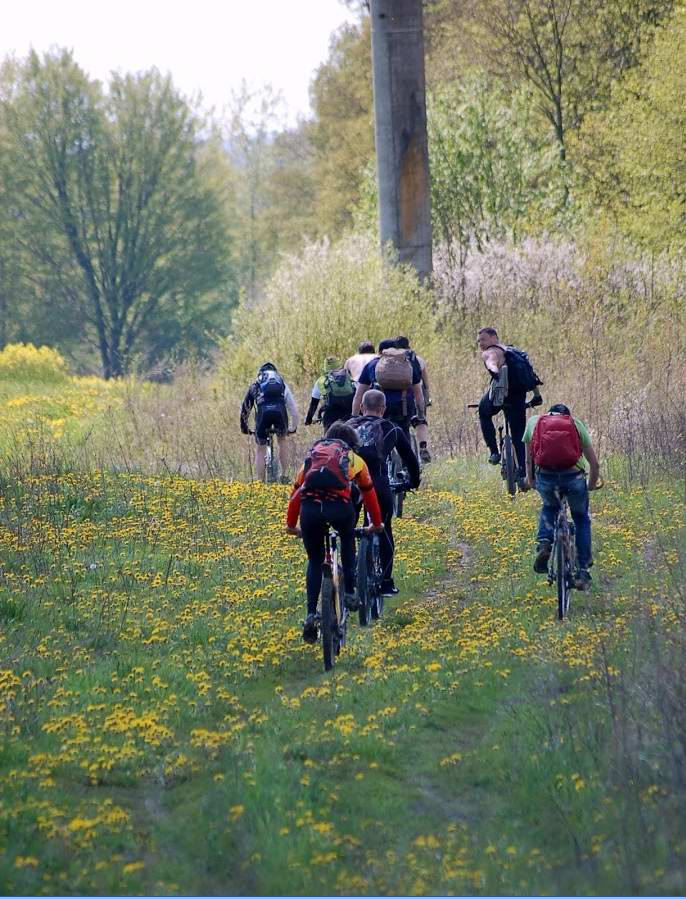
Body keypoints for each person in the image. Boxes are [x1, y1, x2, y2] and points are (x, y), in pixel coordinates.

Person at [285, 422, 384, 643]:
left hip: (310, 511)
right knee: (347, 539)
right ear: (352, 443)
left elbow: (296, 493)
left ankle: (311, 614)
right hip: (340, 510)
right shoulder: (353, 459)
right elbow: (369, 493)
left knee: (314, 561)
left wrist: (291, 525)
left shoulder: (311, 458)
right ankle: (349, 591)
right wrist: (376, 523)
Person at [348, 389, 420, 596]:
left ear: (361, 408)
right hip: (377, 484)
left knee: (347, 529)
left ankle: (350, 578)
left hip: (350, 484)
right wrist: (413, 482)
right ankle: (386, 583)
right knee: (383, 528)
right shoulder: (391, 428)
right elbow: (410, 460)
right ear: (384, 409)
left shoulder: (347, 427)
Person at [524, 403, 601, 589]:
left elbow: (528, 458)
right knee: (581, 518)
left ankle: (544, 544)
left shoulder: (534, 422)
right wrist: (590, 485)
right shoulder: (575, 423)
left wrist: (530, 479)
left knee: (550, 506)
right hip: (573, 477)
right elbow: (594, 464)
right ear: (567, 416)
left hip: (546, 477)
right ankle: (582, 571)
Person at [477, 327, 542, 487]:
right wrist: (537, 396)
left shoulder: (491, 351)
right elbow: (531, 375)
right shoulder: (515, 352)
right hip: (518, 395)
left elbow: (490, 361)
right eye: (478, 341)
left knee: (483, 412)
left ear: (494, 338)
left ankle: (494, 452)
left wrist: (494, 372)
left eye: (483, 339)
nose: (480, 344)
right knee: (519, 434)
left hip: (501, 393)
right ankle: (524, 475)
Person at [240, 362, 299, 483]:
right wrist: (293, 427)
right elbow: (293, 409)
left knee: (260, 448)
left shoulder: (255, 385)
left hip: (263, 415)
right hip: (280, 414)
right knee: (282, 441)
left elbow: (245, 410)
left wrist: (244, 428)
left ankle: (260, 482)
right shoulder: (282, 384)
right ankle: (284, 474)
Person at [351, 338, 425, 432]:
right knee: (404, 432)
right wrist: (421, 415)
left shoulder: (372, 365)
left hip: (379, 406)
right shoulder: (408, 364)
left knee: (378, 432)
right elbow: (419, 394)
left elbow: (359, 395)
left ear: (379, 352)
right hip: (404, 406)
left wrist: (354, 416)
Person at [395, 335, 431, 463]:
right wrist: (427, 399)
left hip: (397, 397)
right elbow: (425, 383)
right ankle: (423, 446)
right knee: (420, 422)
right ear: (408, 345)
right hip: (415, 394)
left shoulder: (391, 360)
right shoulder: (418, 359)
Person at [304, 356, 355, 429]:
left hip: (330, 417)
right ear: (338, 365)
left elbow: (314, 404)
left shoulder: (321, 380)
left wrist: (308, 420)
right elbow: (357, 396)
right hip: (349, 416)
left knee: (329, 439)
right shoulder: (349, 377)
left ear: (325, 367)